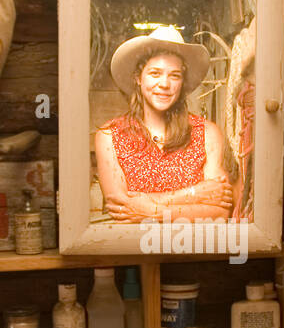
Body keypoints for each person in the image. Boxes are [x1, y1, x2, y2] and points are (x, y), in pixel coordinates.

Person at [94, 25, 234, 222]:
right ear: (138, 78)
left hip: (192, 248)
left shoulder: (207, 133)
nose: (165, 84)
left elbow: (220, 212)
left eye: (174, 75)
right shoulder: (110, 135)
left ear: (182, 81)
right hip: (131, 247)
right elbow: (120, 208)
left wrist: (152, 211)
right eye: (155, 73)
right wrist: (195, 194)